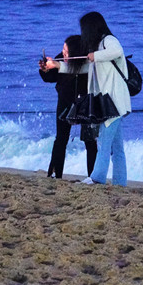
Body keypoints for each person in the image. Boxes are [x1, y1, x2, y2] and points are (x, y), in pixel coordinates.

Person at [78, 12, 131, 186]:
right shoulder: (97, 48)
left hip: (114, 103)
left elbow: (118, 51)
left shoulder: (108, 40)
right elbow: (82, 68)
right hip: (108, 104)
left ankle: (97, 178)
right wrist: (56, 65)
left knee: (105, 141)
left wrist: (96, 56)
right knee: (117, 147)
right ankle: (120, 183)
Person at [39, 35, 98, 178]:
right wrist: (45, 69)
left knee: (90, 141)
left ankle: (93, 176)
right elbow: (50, 78)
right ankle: (55, 174)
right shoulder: (61, 58)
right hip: (65, 103)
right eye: (63, 49)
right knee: (61, 139)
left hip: (86, 103)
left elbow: (81, 69)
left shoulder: (87, 62)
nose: (63, 53)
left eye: (66, 50)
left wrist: (59, 66)